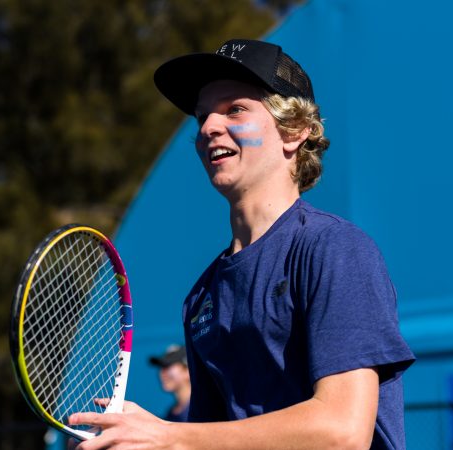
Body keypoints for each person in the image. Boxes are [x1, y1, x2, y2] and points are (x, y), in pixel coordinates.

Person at [69, 38, 415, 449]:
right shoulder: (202, 295)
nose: (209, 127)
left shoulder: (334, 249)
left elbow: (342, 432)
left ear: (295, 132)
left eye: (235, 109)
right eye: (202, 117)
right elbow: (206, 441)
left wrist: (167, 436)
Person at [148, 344, 191, 422]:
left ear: (187, 371)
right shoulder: (172, 413)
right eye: (161, 367)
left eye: (167, 366)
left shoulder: (204, 410)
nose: (161, 373)